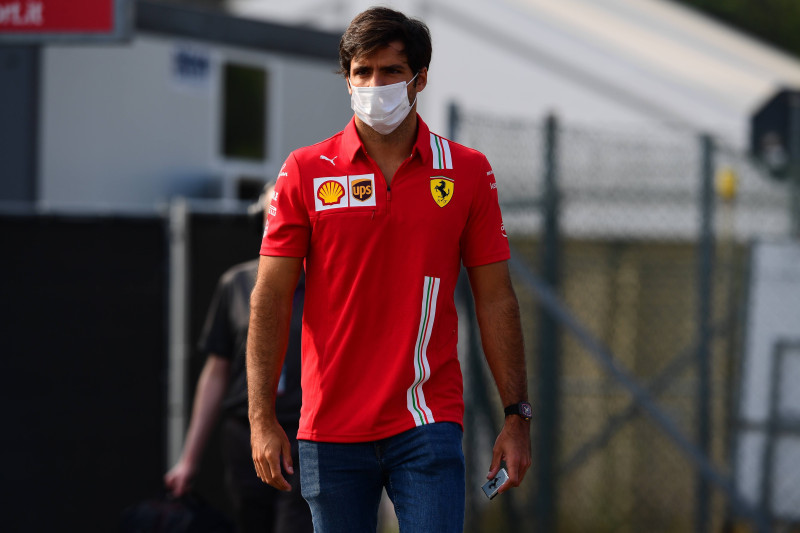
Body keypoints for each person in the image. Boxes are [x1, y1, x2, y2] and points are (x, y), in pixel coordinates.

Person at [247, 7, 531, 533]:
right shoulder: (306, 171)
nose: (375, 84)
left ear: (420, 79)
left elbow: (496, 298)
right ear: (347, 79)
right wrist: (261, 417)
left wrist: (517, 415)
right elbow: (269, 296)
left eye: (391, 72)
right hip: (329, 426)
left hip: (428, 421)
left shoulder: (466, 171)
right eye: (362, 72)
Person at [165, 183, 313, 533]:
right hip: (246, 433)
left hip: (306, 432)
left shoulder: (325, 284)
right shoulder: (237, 283)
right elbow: (216, 373)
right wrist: (189, 459)